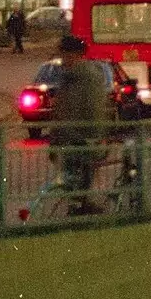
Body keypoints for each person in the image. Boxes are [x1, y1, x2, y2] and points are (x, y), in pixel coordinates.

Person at [47, 35, 114, 214]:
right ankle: (80, 211)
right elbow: (61, 112)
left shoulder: (85, 77)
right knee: (77, 186)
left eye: (64, 54)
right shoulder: (70, 77)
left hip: (81, 141)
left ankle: (80, 212)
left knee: (79, 185)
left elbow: (94, 111)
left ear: (74, 55)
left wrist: (95, 139)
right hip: (74, 141)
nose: (62, 59)